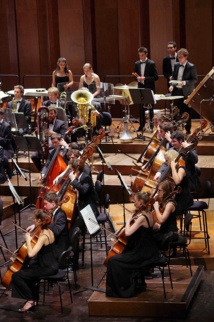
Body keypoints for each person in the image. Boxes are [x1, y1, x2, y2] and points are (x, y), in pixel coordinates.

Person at [106, 191, 160, 298]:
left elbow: (128, 232)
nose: (134, 205)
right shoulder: (149, 214)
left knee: (113, 261)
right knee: (120, 256)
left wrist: (129, 220)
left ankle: (123, 289)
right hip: (148, 250)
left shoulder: (141, 218)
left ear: (140, 202)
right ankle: (135, 283)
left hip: (141, 253)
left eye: (135, 202)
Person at [11, 209, 58, 312]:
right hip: (51, 264)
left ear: (40, 221)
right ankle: (34, 298)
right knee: (28, 270)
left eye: (35, 219)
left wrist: (28, 239)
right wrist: (34, 228)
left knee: (17, 275)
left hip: (47, 268)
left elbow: (31, 253)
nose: (33, 221)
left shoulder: (43, 236)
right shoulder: (49, 230)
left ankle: (31, 299)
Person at [169, 48, 198, 134]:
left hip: (186, 92)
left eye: (181, 57)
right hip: (176, 91)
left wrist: (185, 82)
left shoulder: (191, 66)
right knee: (174, 110)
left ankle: (188, 129)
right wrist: (171, 85)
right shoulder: (176, 65)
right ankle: (174, 129)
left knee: (186, 112)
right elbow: (173, 78)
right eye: (178, 57)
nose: (179, 59)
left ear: (186, 57)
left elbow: (194, 79)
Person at [31, 106, 68, 172]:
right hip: (44, 146)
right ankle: (42, 172)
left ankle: (50, 172)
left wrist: (52, 133)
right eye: (48, 114)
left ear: (55, 114)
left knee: (51, 155)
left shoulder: (61, 123)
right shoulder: (42, 122)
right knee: (34, 156)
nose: (49, 116)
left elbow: (63, 136)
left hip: (55, 147)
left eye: (51, 114)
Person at [160, 149, 193, 217]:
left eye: (167, 160)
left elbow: (177, 181)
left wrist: (172, 167)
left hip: (183, 199)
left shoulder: (181, 168)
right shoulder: (175, 169)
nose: (166, 163)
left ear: (172, 159)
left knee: (169, 210)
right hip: (178, 198)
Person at [134, 47, 159, 133]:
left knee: (150, 108)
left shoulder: (151, 63)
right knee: (141, 108)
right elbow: (135, 75)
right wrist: (137, 78)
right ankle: (141, 126)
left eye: (142, 55)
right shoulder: (137, 64)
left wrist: (145, 78)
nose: (141, 57)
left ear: (146, 54)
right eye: (139, 55)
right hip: (140, 88)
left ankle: (151, 126)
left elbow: (156, 77)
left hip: (149, 88)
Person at [152, 179, 179, 250]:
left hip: (170, 233)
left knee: (149, 237)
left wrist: (156, 208)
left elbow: (161, 220)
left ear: (165, 192)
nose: (157, 193)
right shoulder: (163, 201)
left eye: (159, 191)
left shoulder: (170, 204)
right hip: (164, 230)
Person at [0, 108, 14, 182]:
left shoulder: (6, 126)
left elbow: (7, 141)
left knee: (2, 158)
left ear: (1, 115)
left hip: (7, 148)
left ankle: (3, 176)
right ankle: (8, 171)